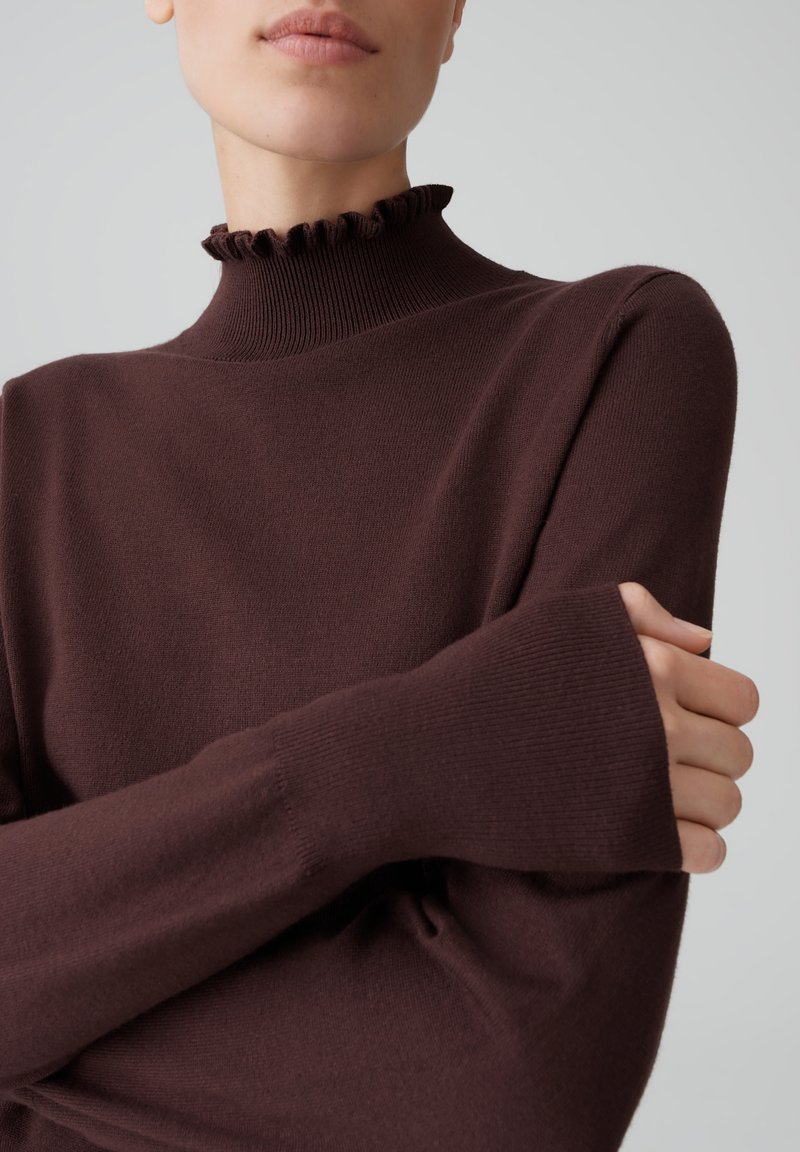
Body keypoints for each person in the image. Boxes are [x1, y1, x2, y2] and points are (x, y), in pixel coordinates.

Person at [0, 2, 759, 1150]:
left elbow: (520, 1095)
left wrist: (43, 1012)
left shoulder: (614, 350)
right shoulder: (29, 448)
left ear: (451, 11)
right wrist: (443, 737)